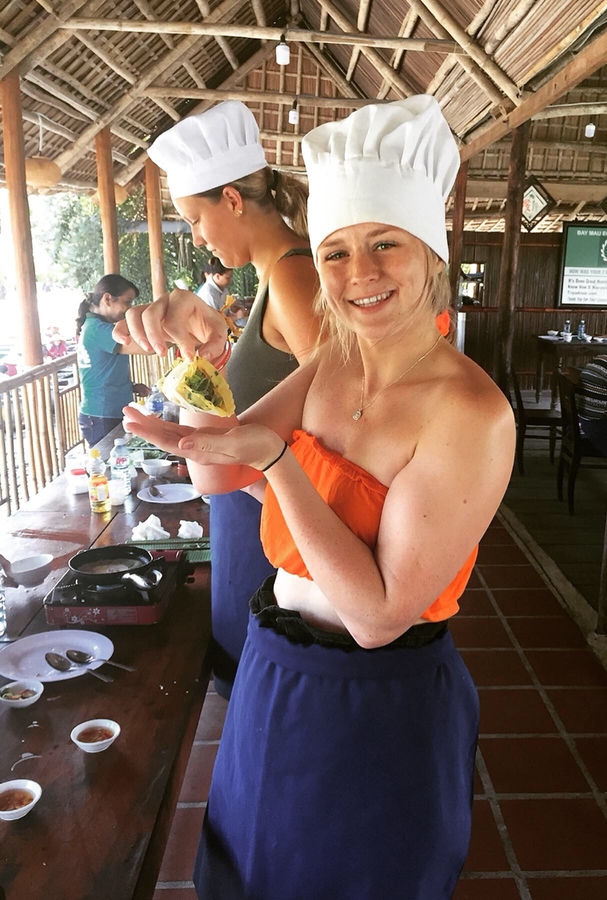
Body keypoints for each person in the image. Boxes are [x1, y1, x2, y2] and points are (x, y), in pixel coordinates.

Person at [122, 95, 515, 900]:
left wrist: (279, 461)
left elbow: (377, 617)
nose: (358, 274)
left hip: (377, 698)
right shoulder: (331, 363)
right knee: (248, 866)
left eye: (384, 245)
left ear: (430, 253)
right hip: (277, 662)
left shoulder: (471, 413)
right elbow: (214, 470)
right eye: (334, 252)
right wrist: (203, 352)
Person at [118, 100, 319, 698]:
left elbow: (341, 419)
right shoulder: (272, 278)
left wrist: (255, 474)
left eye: (196, 219)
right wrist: (204, 345)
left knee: (267, 695)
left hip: (275, 521)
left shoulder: (291, 276)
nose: (198, 238)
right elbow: (278, 389)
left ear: (232, 199)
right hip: (253, 513)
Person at [76, 275, 150, 447]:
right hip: (102, 414)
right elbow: (147, 347)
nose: (130, 309)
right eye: (128, 301)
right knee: (111, 467)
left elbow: (101, 371)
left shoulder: (94, 326)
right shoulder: (100, 330)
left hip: (104, 411)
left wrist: (129, 386)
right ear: (108, 299)